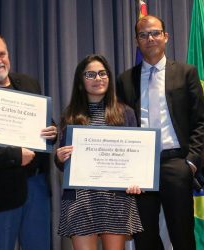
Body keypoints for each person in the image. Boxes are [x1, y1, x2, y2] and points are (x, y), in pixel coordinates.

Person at [116, 15, 204, 250]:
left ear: (166, 37)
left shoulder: (186, 72)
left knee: (182, 235)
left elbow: (199, 121)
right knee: (144, 237)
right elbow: (120, 127)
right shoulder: (125, 80)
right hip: (140, 167)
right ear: (136, 41)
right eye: (143, 35)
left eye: (155, 33)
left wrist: (192, 163)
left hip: (176, 163)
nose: (150, 39)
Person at [0, 33, 56, 250]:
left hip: (37, 186)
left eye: (1, 54)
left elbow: (46, 124)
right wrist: (15, 156)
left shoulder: (29, 83)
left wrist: (53, 131)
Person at [55, 54, 143, 249]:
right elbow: (62, 163)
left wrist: (137, 179)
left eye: (103, 73)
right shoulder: (70, 115)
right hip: (81, 199)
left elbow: (135, 158)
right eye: (90, 75)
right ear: (80, 81)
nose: (98, 78)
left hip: (116, 199)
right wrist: (60, 157)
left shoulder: (125, 113)